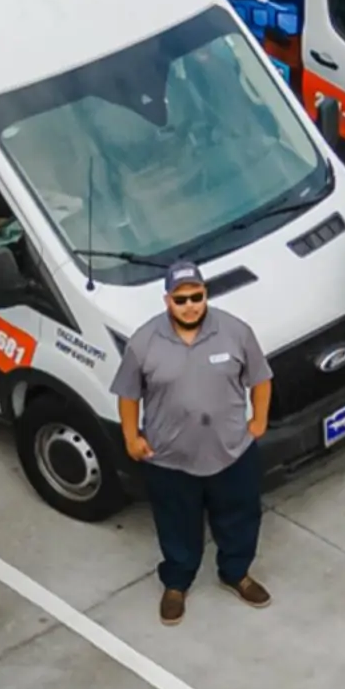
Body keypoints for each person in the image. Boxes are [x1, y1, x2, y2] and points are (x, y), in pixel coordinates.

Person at [111, 261, 275, 626]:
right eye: (181, 299)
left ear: (205, 294)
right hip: (169, 459)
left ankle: (236, 573)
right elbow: (128, 394)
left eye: (196, 297)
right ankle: (176, 584)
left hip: (231, 452)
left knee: (241, 516)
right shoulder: (144, 342)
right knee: (176, 523)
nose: (190, 305)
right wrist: (131, 436)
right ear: (167, 300)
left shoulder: (235, 332)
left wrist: (259, 420)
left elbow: (261, 379)